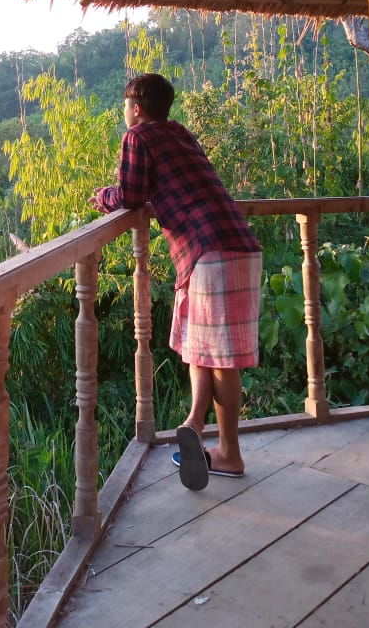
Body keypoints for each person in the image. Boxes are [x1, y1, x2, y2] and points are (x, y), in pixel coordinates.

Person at [90, 73, 262, 490]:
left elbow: (130, 196)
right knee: (204, 352)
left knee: (219, 359)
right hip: (238, 245)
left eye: (125, 107)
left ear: (135, 109)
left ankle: (227, 451)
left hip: (208, 250)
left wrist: (103, 196)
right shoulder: (179, 133)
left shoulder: (137, 137)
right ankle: (197, 430)